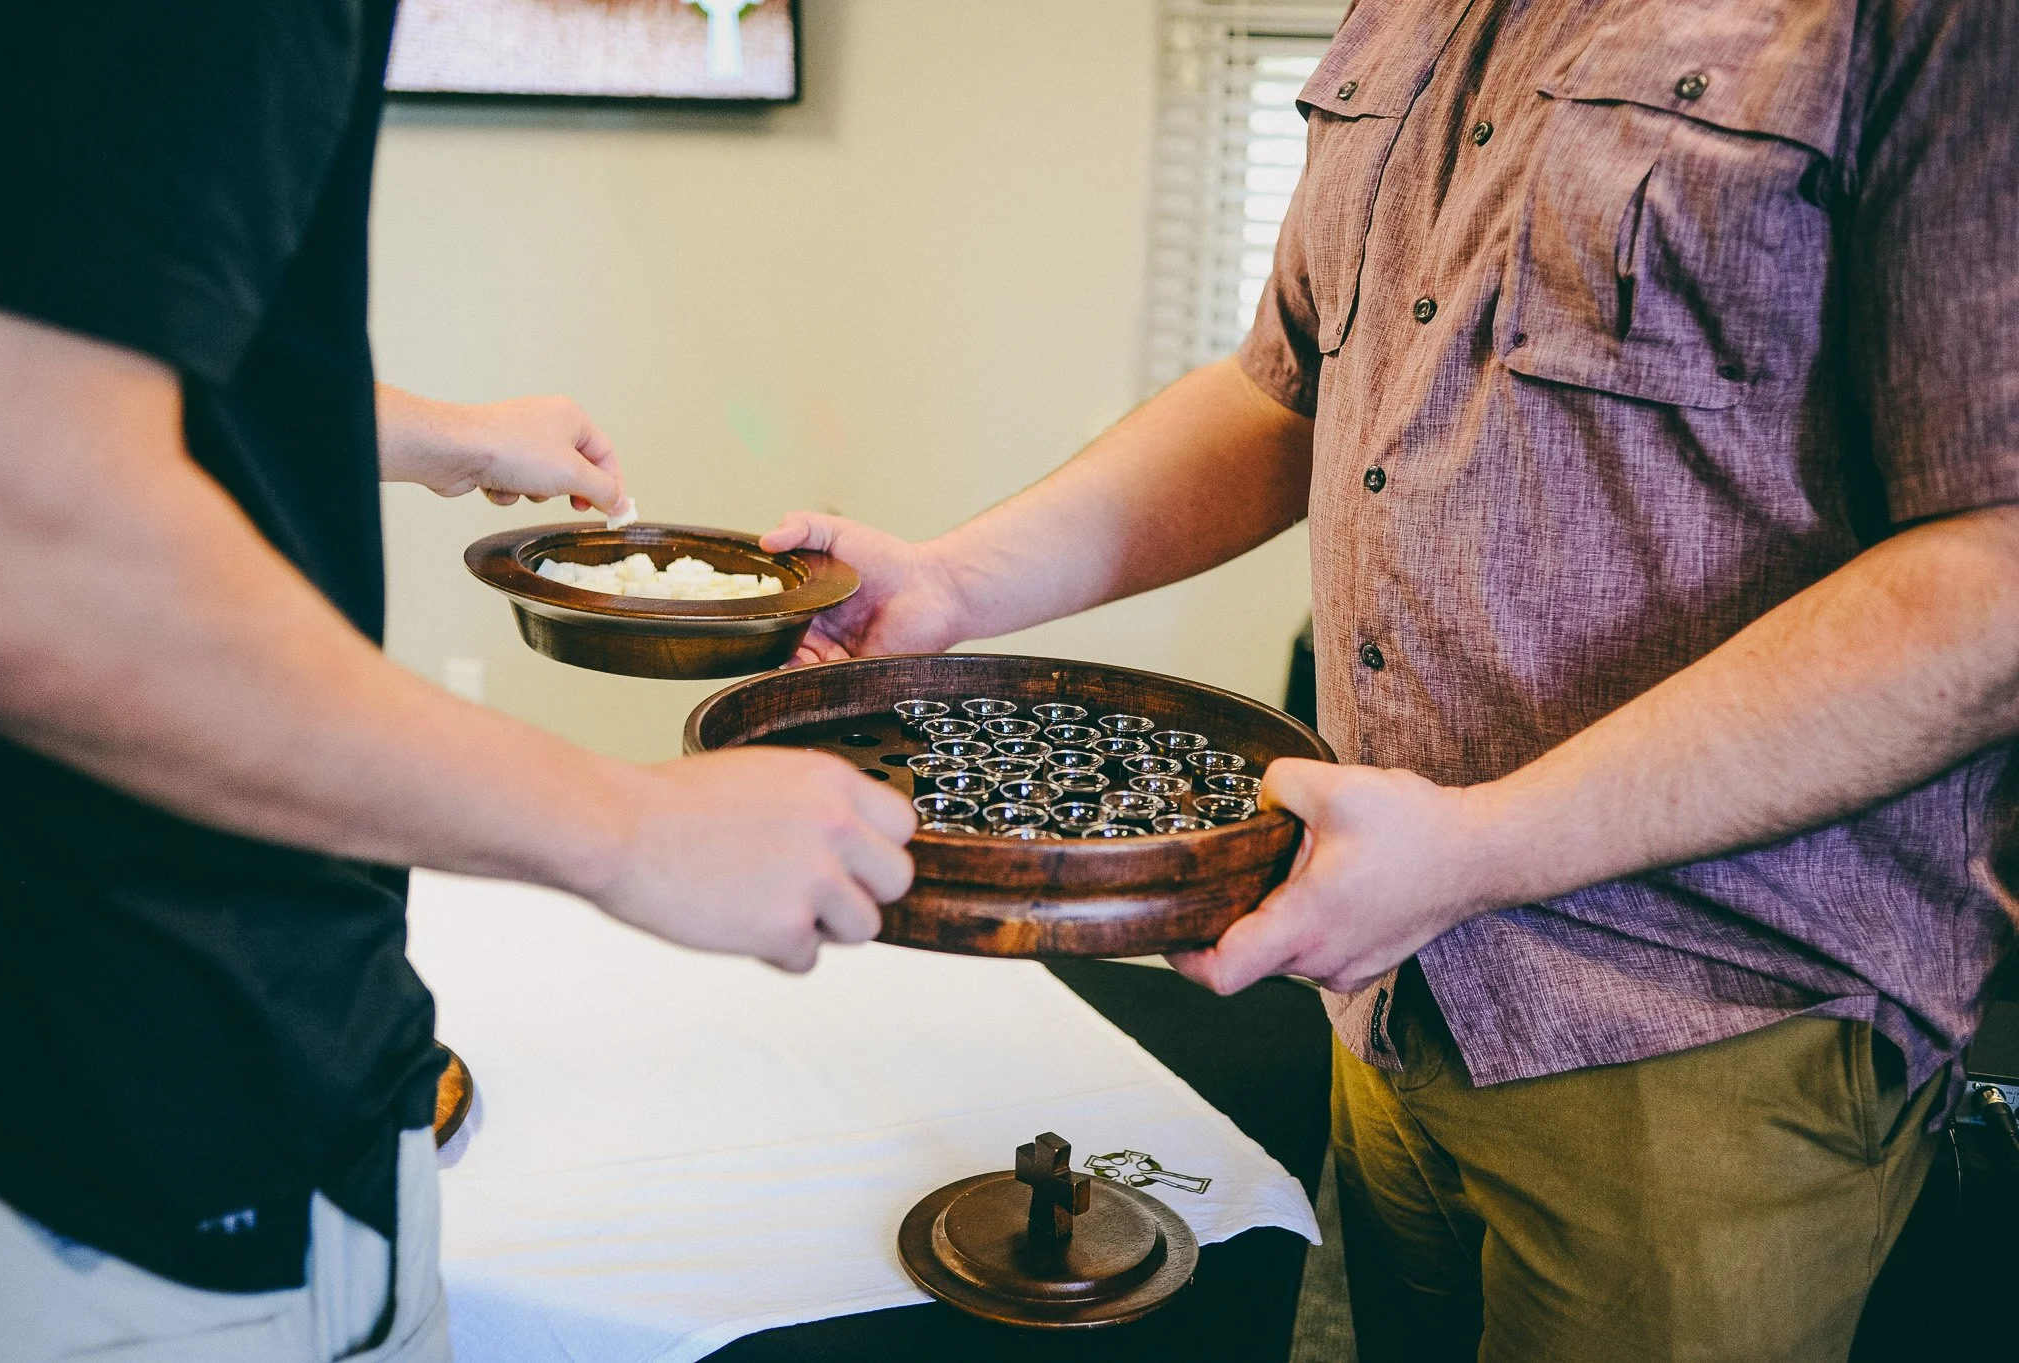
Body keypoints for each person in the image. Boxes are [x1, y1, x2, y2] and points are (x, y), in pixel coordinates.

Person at [760, 0, 2019, 1356]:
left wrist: (1485, 844)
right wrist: (959, 580)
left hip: (1711, 1028)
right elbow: (1287, 390)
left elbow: (1994, 574)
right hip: (1397, 984)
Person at [0, 6, 913, 1361]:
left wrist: (431, 434)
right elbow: (21, 531)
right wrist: (632, 824)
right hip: (138, 1104)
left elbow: (67, 331)